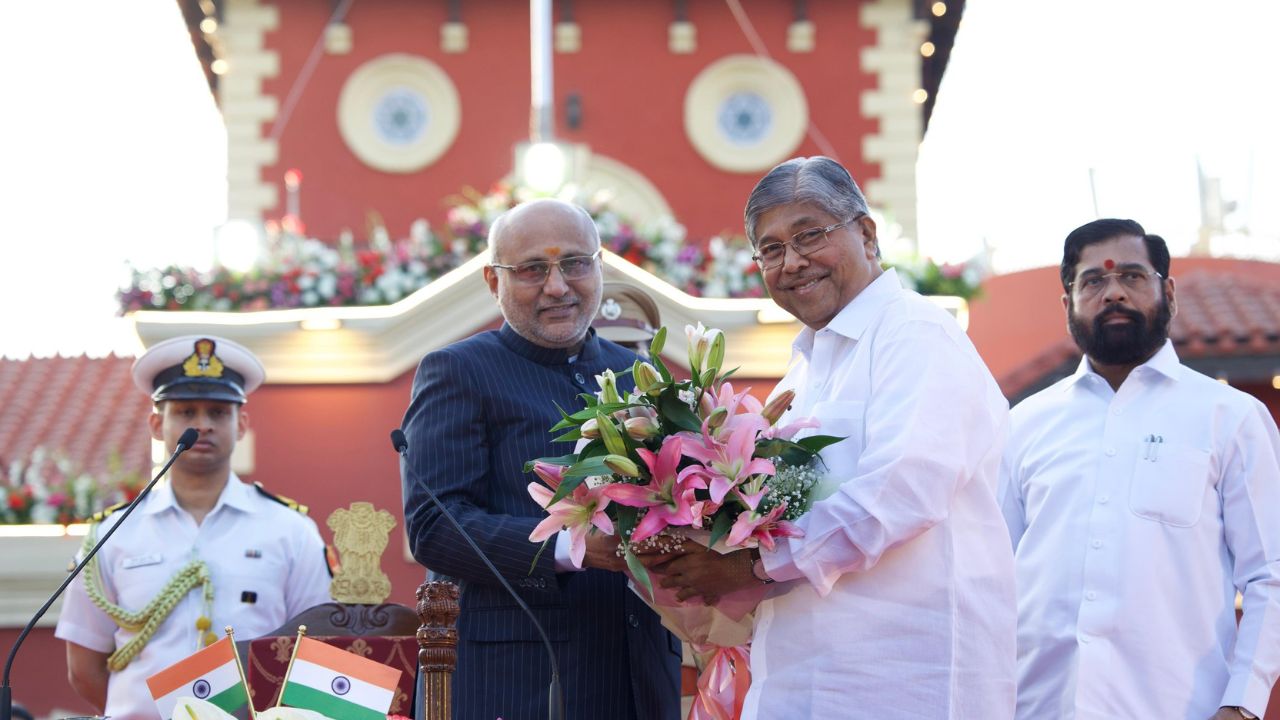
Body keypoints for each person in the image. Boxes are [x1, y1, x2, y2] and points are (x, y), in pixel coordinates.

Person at [645, 156, 1017, 718]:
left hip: (904, 678)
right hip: (800, 673)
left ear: (866, 234)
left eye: (809, 235)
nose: (792, 262)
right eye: (770, 249)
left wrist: (746, 569)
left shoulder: (914, 334)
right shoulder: (806, 366)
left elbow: (900, 495)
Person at [399, 198, 682, 720]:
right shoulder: (459, 371)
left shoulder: (640, 377)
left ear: (599, 267)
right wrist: (575, 549)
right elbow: (434, 526)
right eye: (532, 269)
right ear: (493, 281)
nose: (558, 286)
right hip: (517, 680)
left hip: (638, 676)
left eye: (575, 263)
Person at [999, 218, 1280, 720]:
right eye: (1093, 281)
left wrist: (1242, 703)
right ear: (1068, 305)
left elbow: (1270, 575)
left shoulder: (1229, 417)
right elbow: (991, 579)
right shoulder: (1023, 424)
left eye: (1132, 277)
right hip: (1038, 707)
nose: (1113, 294)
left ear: (1167, 292)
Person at [55, 335, 332, 719]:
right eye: (186, 412)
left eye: (218, 413)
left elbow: (316, 648)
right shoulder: (112, 534)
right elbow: (84, 669)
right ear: (157, 423)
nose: (203, 425)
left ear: (241, 425)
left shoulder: (290, 530)